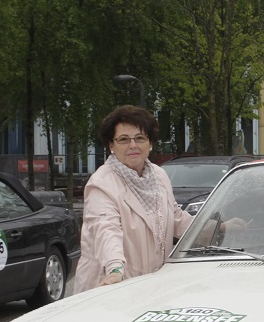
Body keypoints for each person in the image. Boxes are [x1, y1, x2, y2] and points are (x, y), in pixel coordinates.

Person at [72, 106, 204, 294]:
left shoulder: (159, 175)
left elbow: (176, 218)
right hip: (110, 288)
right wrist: (115, 268)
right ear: (111, 145)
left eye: (140, 138)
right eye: (124, 139)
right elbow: (106, 229)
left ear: (150, 143)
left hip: (151, 285)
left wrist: (217, 228)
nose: (133, 145)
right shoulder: (101, 184)